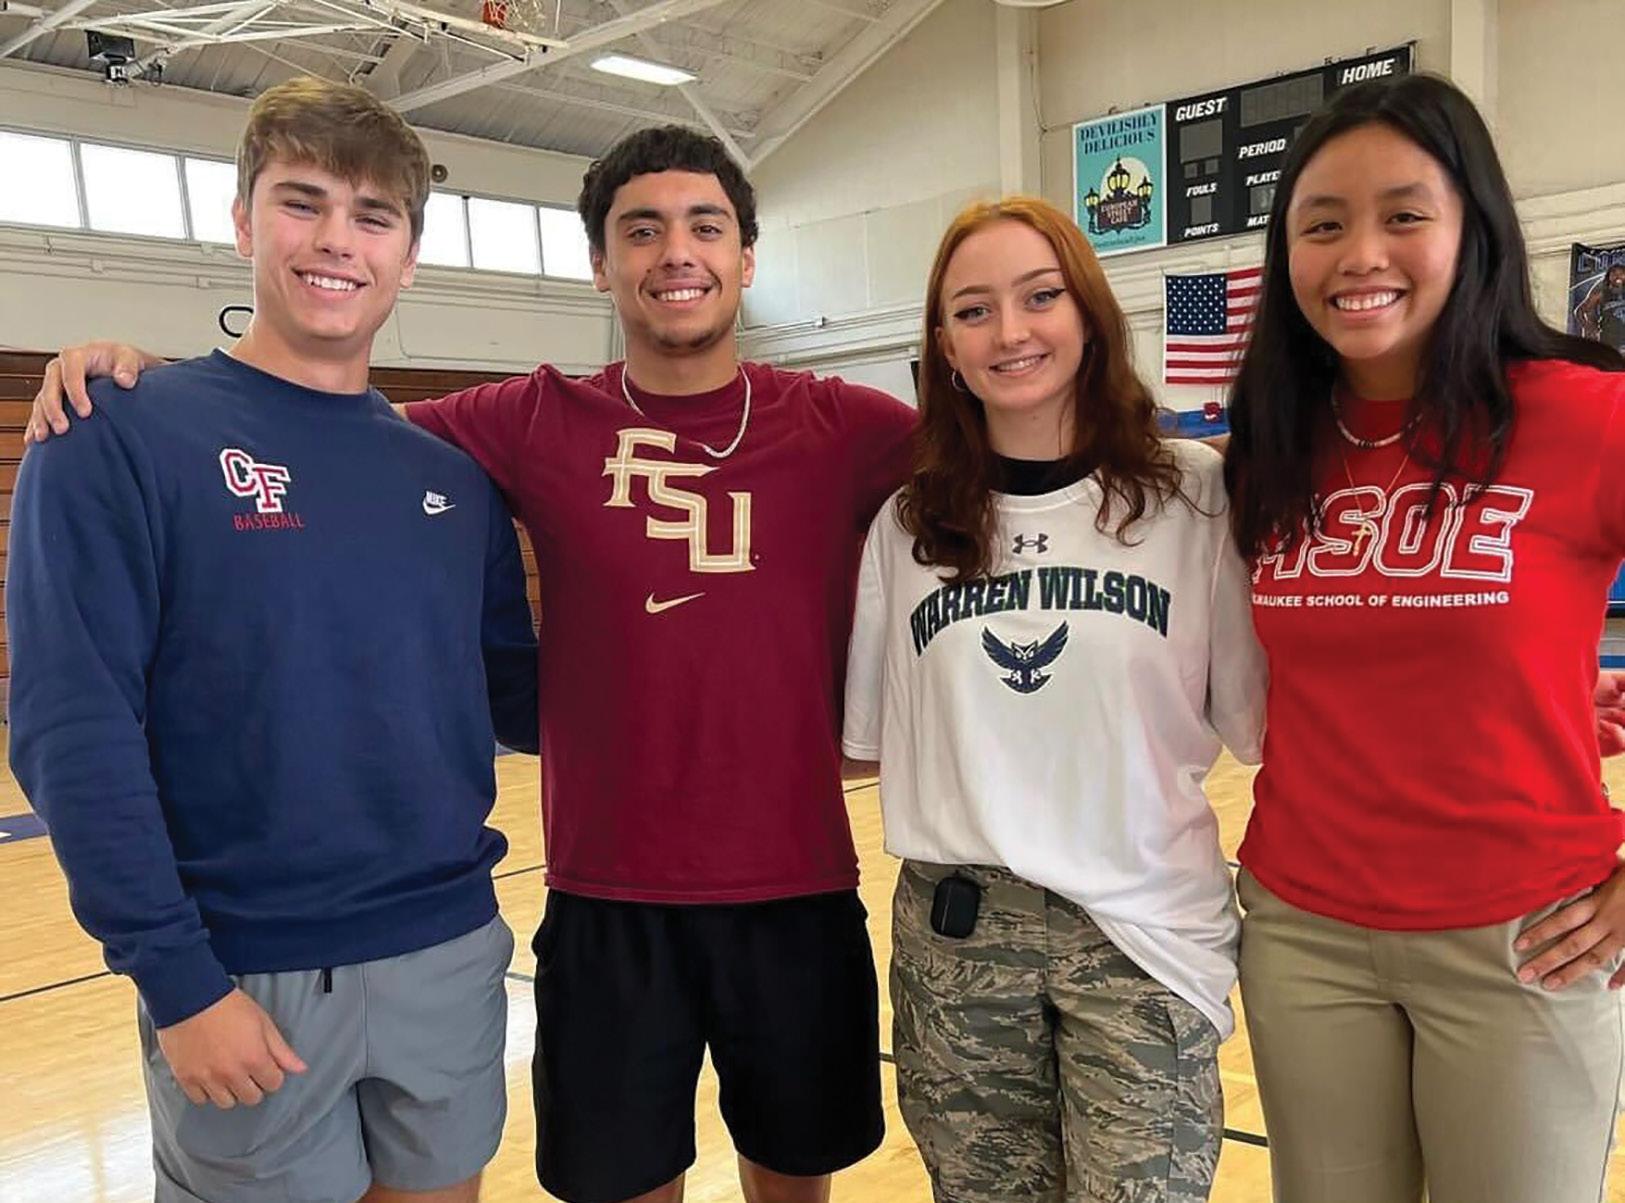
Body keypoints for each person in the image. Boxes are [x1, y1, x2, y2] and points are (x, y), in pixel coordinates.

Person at [30, 124, 917, 1203]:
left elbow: (1006, 463)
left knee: (796, 1172)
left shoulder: (845, 426)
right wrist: (151, 387)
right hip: (602, 896)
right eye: (641, 230)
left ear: (746, 256)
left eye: (704, 227)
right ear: (599, 264)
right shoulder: (527, 419)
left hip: (792, 886)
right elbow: (317, 422)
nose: (675, 252)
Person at [8, 78, 538, 1203]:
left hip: (448, 951)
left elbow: (523, 701)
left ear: (408, 256)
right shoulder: (119, 432)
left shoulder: (452, 480)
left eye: (372, 216)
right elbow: (71, 729)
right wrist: (178, 980)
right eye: (303, 203)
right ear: (244, 221)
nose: (337, 240)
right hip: (242, 971)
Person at [1224, 72, 1625, 1203]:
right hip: (1301, 933)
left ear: (1471, 228)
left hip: (1525, 937)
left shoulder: (1583, 415)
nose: (1359, 254)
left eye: (1402, 214)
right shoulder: (1268, 446)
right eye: (1321, 224)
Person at [841, 195, 1265, 1203]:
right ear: (944, 346)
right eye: (973, 310)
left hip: (1140, 928)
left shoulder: (1192, 496)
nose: (1010, 331)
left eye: (1039, 296)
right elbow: (865, 740)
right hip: (959, 933)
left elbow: (1259, 723)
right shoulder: (907, 525)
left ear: (1087, 313)